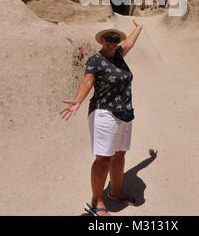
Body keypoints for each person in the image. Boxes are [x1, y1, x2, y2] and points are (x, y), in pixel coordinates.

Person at [60, 19, 143, 216]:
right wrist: (78, 100)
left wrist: (138, 28)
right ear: (101, 40)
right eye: (108, 39)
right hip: (104, 112)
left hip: (125, 113)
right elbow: (88, 81)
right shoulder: (95, 60)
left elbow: (129, 43)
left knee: (120, 154)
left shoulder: (119, 55)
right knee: (104, 158)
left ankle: (116, 192)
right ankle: (96, 201)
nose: (112, 42)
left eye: (115, 39)